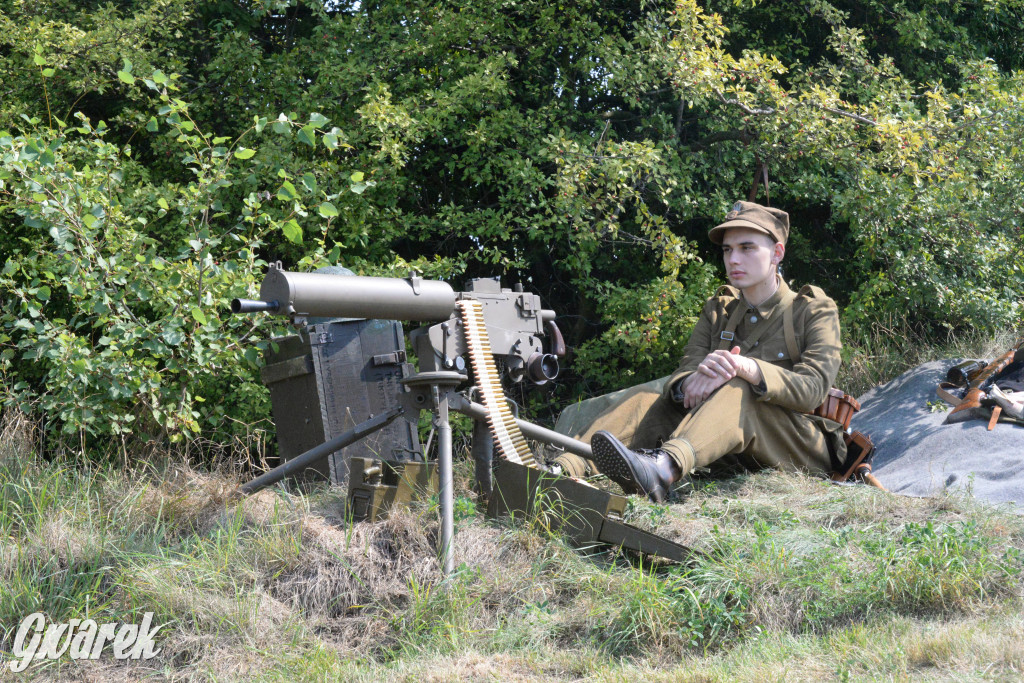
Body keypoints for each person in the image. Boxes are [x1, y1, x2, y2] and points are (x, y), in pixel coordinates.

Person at [550, 201, 847, 502]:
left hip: (795, 447)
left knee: (736, 387)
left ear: (777, 254)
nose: (734, 259)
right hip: (728, 450)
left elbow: (812, 390)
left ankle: (662, 469)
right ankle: (560, 469)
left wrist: (744, 368)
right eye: (727, 250)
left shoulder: (813, 310)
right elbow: (687, 367)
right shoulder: (719, 310)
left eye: (747, 248)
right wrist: (690, 383)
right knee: (650, 397)